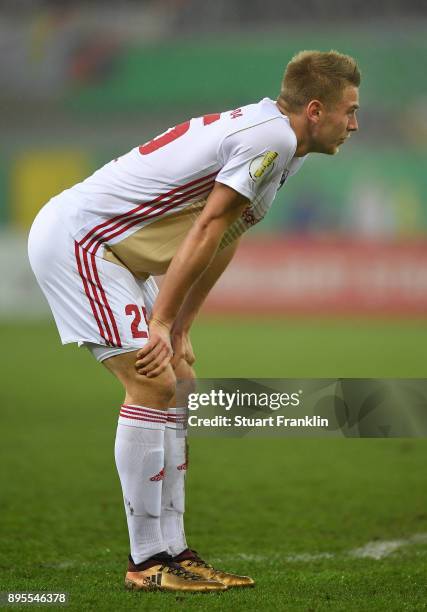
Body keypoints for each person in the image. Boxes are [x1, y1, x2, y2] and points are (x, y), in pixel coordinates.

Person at [28, 50, 360, 593]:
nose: (355, 124)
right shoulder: (270, 139)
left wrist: (180, 325)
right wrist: (159, 321)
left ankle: (177, 552)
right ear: (316, 109)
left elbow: (225, 237)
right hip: (83, 240)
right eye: (349, 111)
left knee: (180, 380)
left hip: (120, 252)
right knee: (151, 379)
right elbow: (206, 227)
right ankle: (146, 564)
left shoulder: (285, 147)